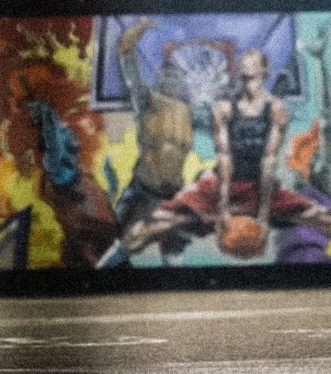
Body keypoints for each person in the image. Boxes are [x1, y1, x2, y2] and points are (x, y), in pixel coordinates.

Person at [99, 48, 331, 265]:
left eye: (252, 78)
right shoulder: (224, 109)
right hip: (220, 185)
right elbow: (225, 159)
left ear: (265, 72)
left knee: (322, 218)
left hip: (262, 186)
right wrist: (223, 209)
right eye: (243, 78)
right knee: (150, 226)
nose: (247, 84)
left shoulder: (276, 109)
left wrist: (262, 215)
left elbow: (269, 161)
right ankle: (106, 267)